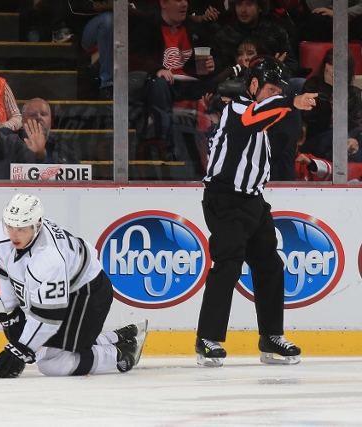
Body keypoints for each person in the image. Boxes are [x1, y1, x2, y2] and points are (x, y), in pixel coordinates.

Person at [195, 56, 317, 367]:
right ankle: (207, 339)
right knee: (228, 265)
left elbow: (266, 116)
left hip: (254, 202)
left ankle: (270, 335)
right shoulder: (239, 108)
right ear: (252, 86)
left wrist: (287, 101)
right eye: (271, 90)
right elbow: (256, 116)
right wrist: (291, 100)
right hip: (224, 201)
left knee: (270, 265)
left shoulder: (265, 112)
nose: (275, 96)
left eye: (279, 91)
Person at [0, 193, 149, 378]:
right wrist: (13, 311)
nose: (13, 235)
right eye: (10, 226)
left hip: (89, 292)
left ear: (37, 225)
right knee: (47, 349)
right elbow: (5, 272)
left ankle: (121, 352)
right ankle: (115, 338)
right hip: (70, 284)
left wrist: (20, 349)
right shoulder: (1, 234)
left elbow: (48, 318)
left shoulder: (49, 259)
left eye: (22, 229)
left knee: (52, 364)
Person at [129, 0, 217, 161]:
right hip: (164, 85)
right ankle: (165, 145)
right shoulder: (147, 28)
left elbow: (200, 65)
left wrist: (210, 67)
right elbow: (135, 58)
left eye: (185, 0)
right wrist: (157, 69)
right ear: (163, 3)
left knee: (215, 84)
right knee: (158, 84)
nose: (184, 4)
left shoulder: (194, 28)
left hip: (188, 85)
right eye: (178, 0)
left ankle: (218, 145)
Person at [298, 48, 362, 162]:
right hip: (317, 139)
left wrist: (355, 140)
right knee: (336, 136)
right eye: (331, 64)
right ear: (324, 65)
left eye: (340, 66)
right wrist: (329, 89)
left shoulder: (354, 93)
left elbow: (357, 125)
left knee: (347, 148)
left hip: (343, 143)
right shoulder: (312, 86)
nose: (334, 69)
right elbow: (309, 118)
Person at [210, 0, 298, 77]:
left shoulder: (276, 31)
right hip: (235, 88)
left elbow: (292, 66)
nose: (243, 10)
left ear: (260, 7)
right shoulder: (224, 35)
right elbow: (219, 72)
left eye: (249, 4)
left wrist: (277, 70)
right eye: (239, 4)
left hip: (274, 86)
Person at [18, 97, 78, 164]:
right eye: (33, 115)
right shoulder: (12, 146)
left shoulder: (64, 148)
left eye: (43, 114)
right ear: (23, 122)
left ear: (50, 121)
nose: (39, 117)